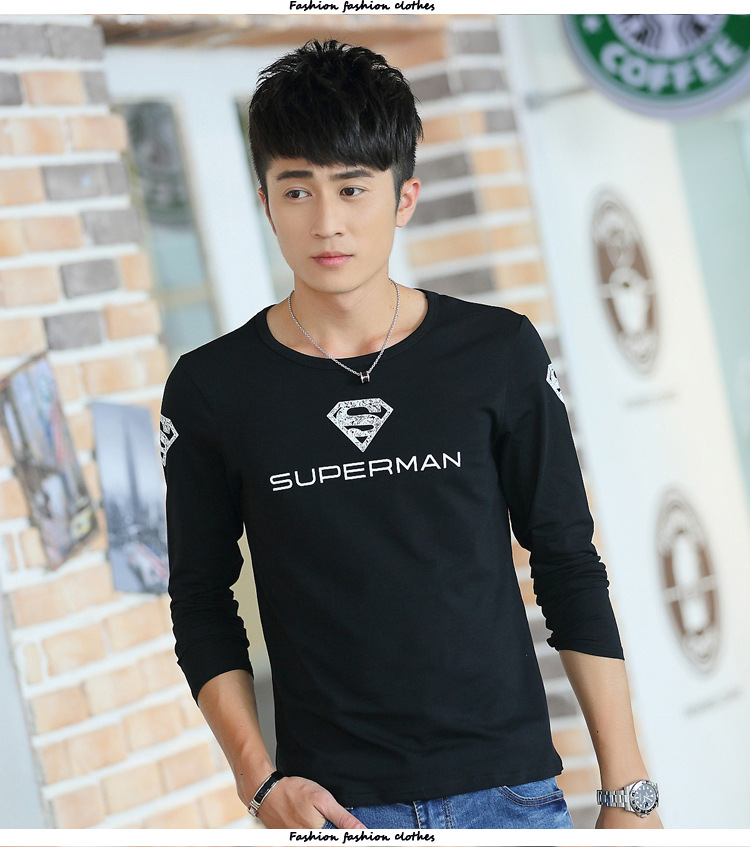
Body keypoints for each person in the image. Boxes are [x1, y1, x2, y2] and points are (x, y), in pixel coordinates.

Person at [160, 39, 662, 830]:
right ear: (265, 202)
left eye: (353, 188)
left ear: (404, 197)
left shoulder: (496, 352)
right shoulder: (213, 389)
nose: (327, 222)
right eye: (298, 191)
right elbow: (199, 598)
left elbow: (567, 561)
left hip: (511, 797)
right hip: (340, 810)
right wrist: (259, 782)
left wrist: (627, 789)